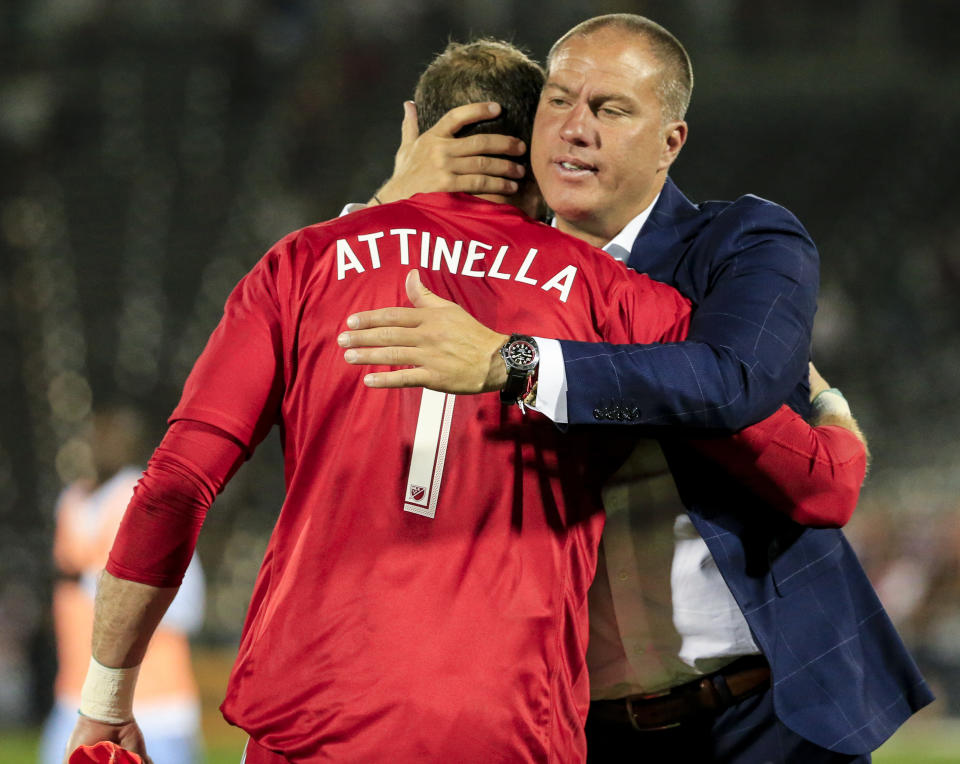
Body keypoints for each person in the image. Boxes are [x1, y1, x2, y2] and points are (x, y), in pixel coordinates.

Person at [64, 39, 870, 764]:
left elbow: (174, 486)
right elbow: (819, 480)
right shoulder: (614, 296)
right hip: (508, 729)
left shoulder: (304, 264)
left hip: (308, 720)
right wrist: (829, 408)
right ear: (537, 147)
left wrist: (103, 704)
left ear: (415, 127)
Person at [337, 14, 932, 763]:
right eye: (558, 101)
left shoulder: (745, 242)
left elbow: (730, 382)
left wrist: (516, 364)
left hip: (766, 711)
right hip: (576, 727)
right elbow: (334, 343)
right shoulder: (483, 272)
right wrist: (395, 203)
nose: (575, 129)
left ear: (669, 141)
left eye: (611, 109)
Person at [40, 406, 204, 764]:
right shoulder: (69, 503)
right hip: (75, 699)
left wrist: (94, 584)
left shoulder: (148, 502)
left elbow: (189, 607)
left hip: (156, 706)